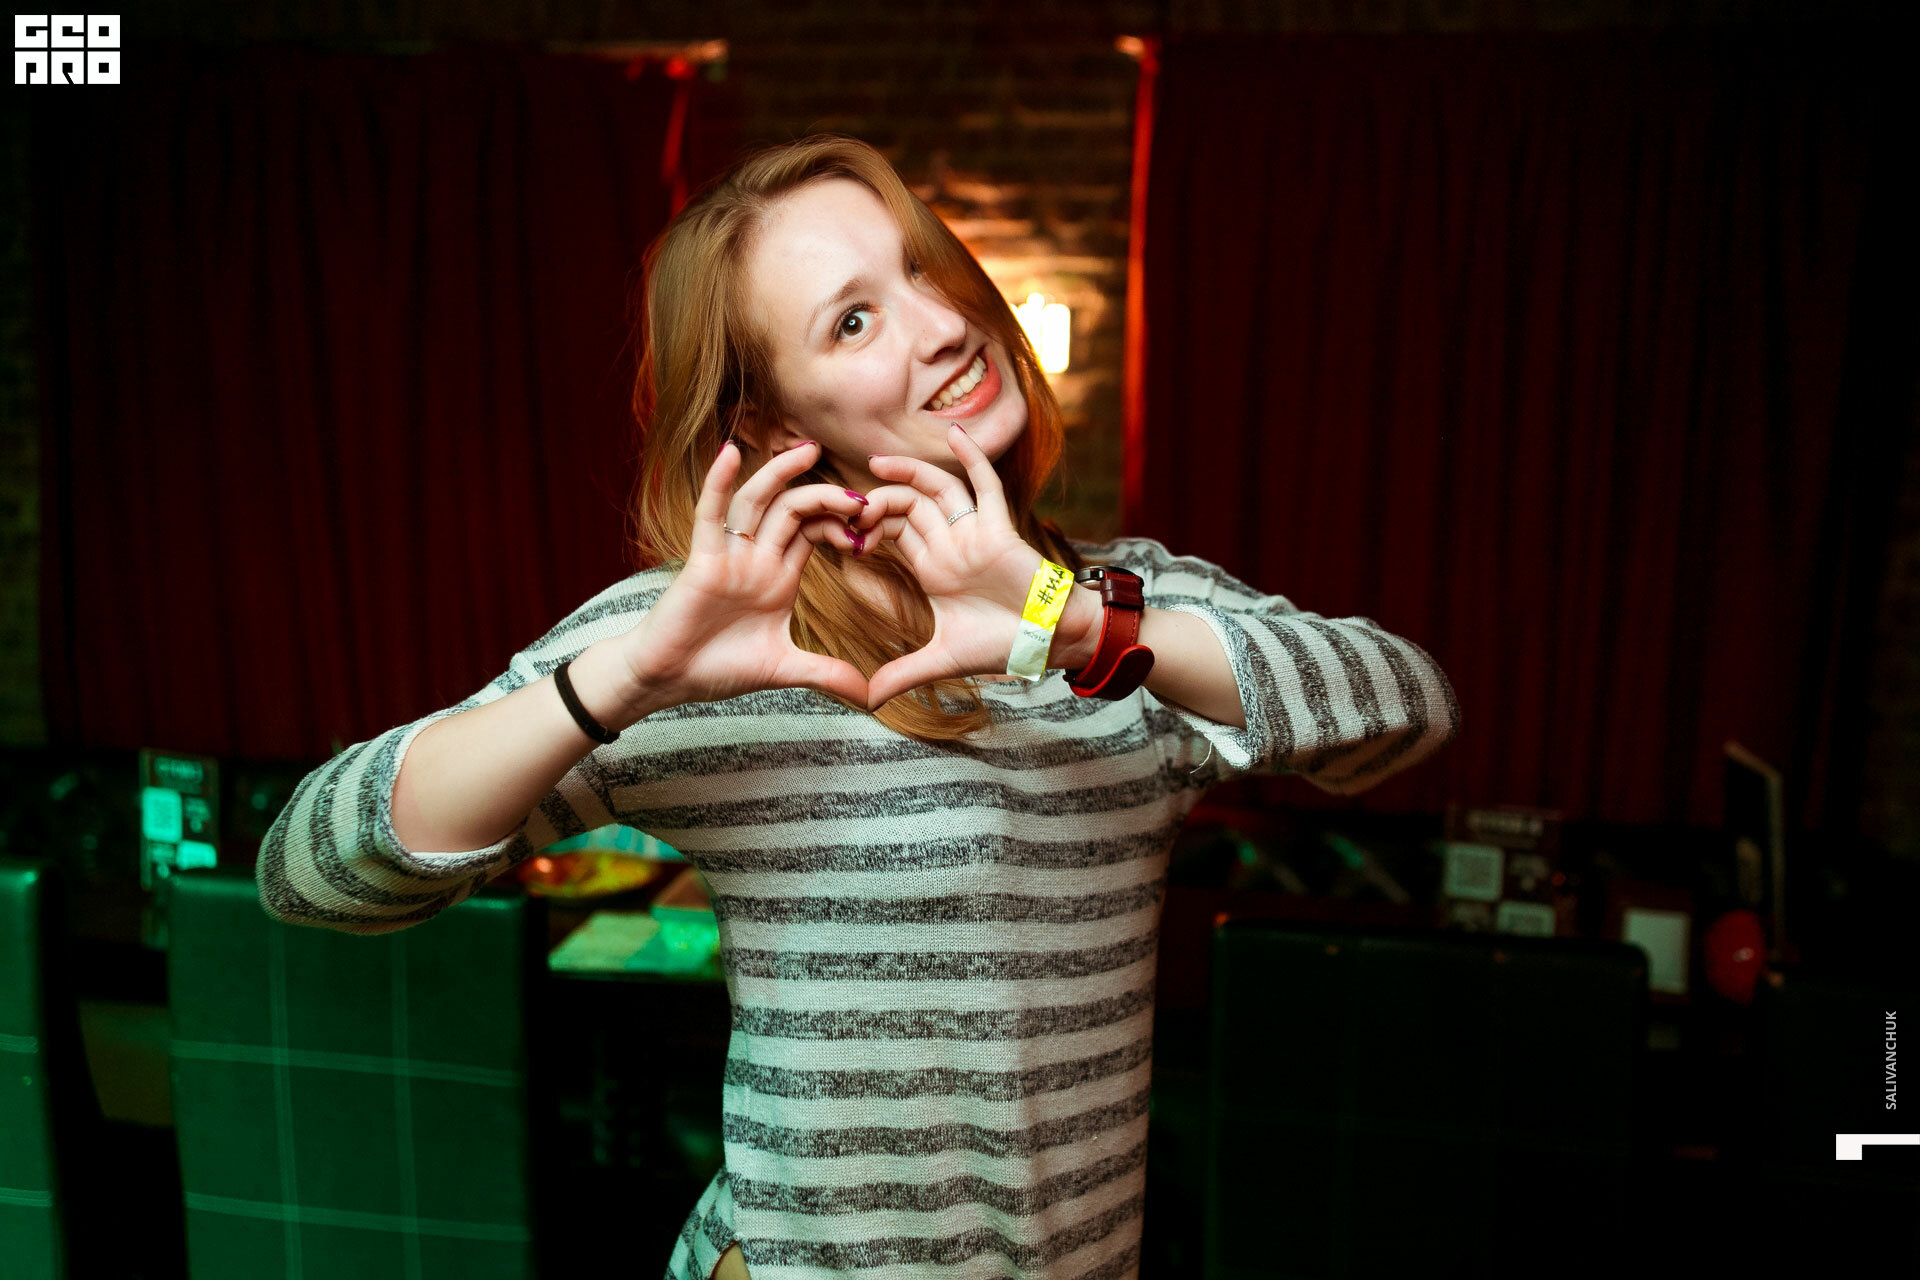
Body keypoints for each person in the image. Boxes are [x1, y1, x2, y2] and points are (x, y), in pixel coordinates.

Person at [256, 134, 1461, 1280]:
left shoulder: (1126, 611)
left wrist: (1078, 625)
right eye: (852, 319)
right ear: (778, 423)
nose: (944, 325)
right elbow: (312, 870)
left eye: (924, 269)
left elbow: (1410, 710)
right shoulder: (712, 638)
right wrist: (625, 679)